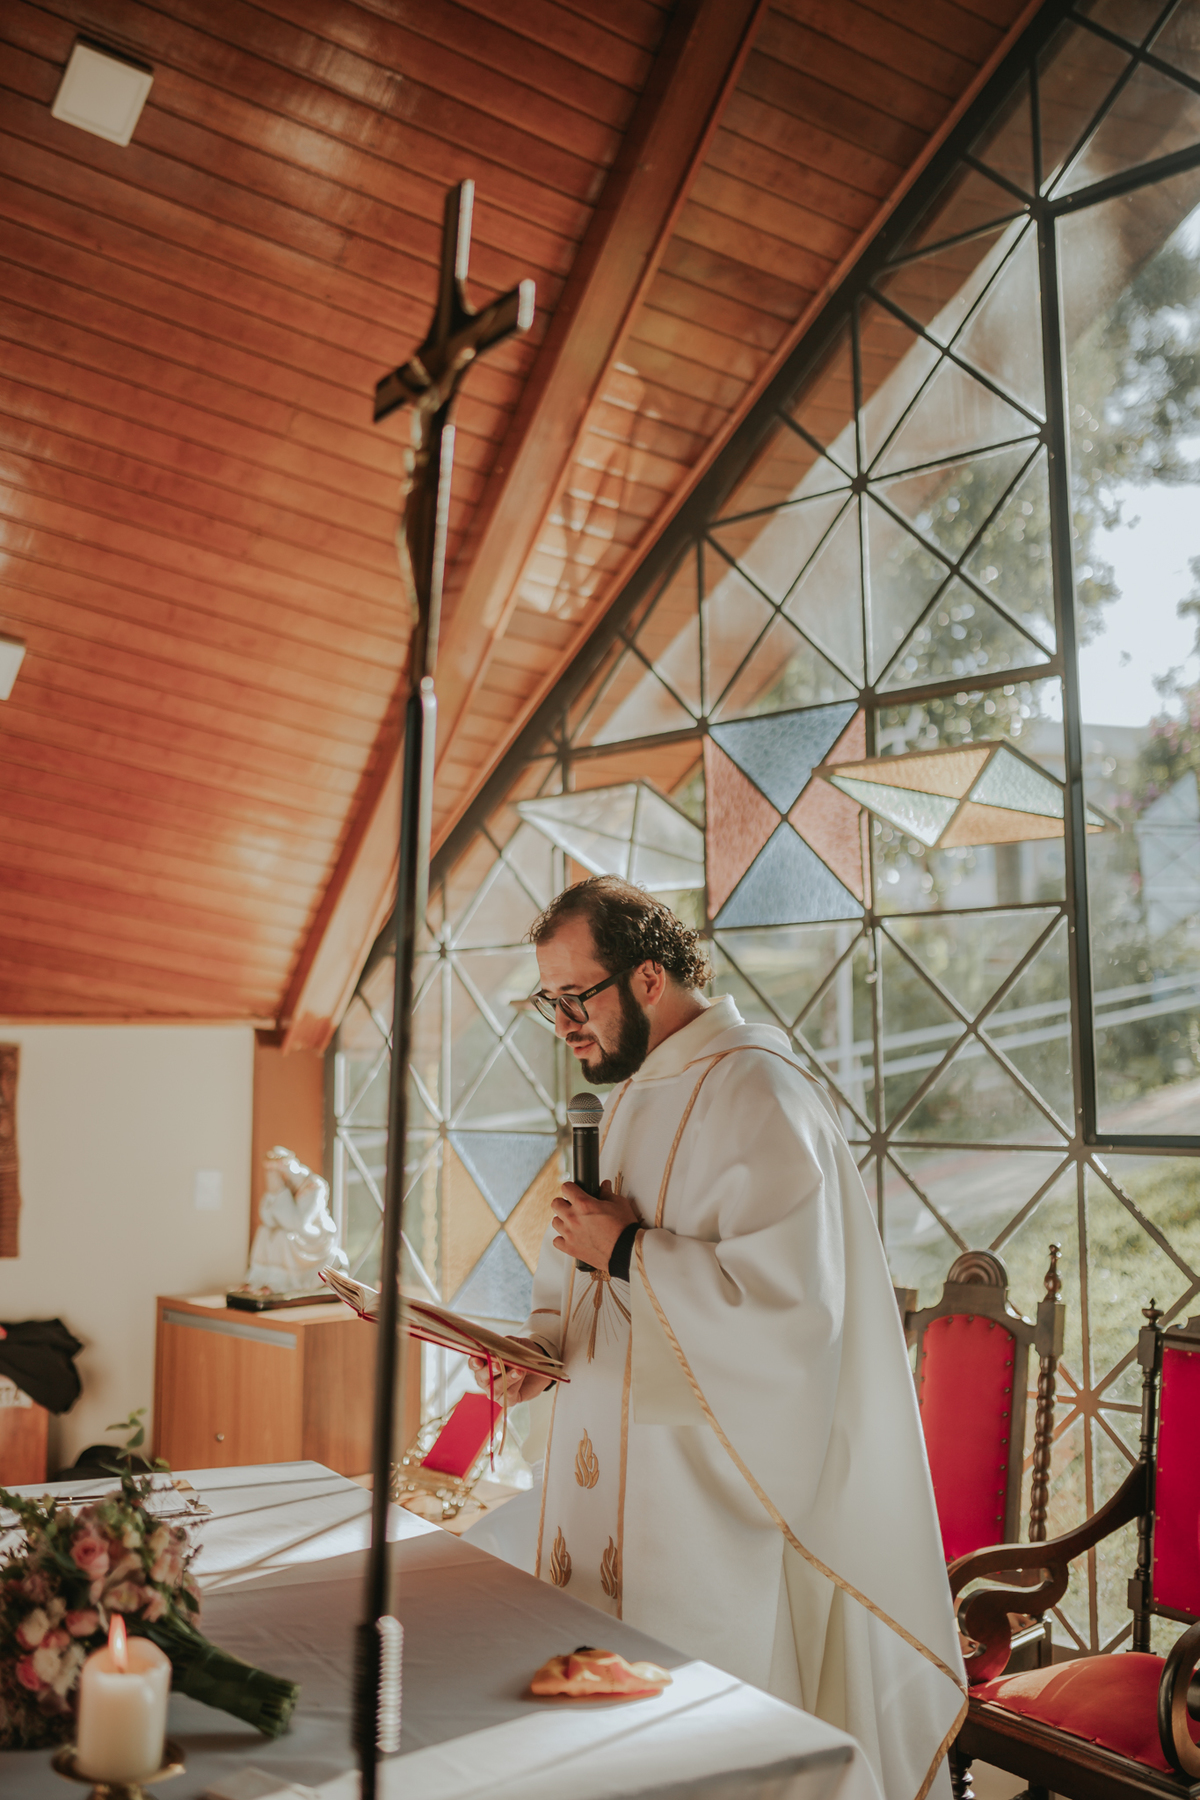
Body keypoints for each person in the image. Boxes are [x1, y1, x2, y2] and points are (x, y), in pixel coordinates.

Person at [471, 875, 965, 1800]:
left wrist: (628, 1248)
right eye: (549, 1001)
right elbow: (589, 1275)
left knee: (699, 1753)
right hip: (605, 1480)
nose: (563, 1025)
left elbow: (793, 1320)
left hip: (701, 1506)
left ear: (648, 977)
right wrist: (540, 1353)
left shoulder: (758, 1092)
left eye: (576, 997)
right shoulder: (632, 1094)